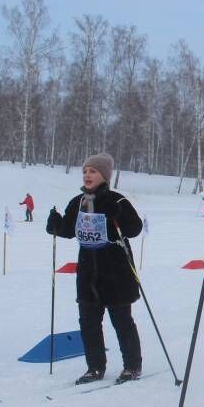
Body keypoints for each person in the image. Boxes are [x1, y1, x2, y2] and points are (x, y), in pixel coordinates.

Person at [46, 153, 143, 386]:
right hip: (89, 273)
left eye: (93, 171)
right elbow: (69, 230)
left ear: (104, 176)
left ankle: (132, 365)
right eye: (85, 171)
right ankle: (95, 367)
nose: (87, 175)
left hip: (116, 272)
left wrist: (118, 213)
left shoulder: (118, 201)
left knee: (121, 321)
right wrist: (55, 225)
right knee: (88, 322)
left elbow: (135, 228)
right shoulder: (77, 202)